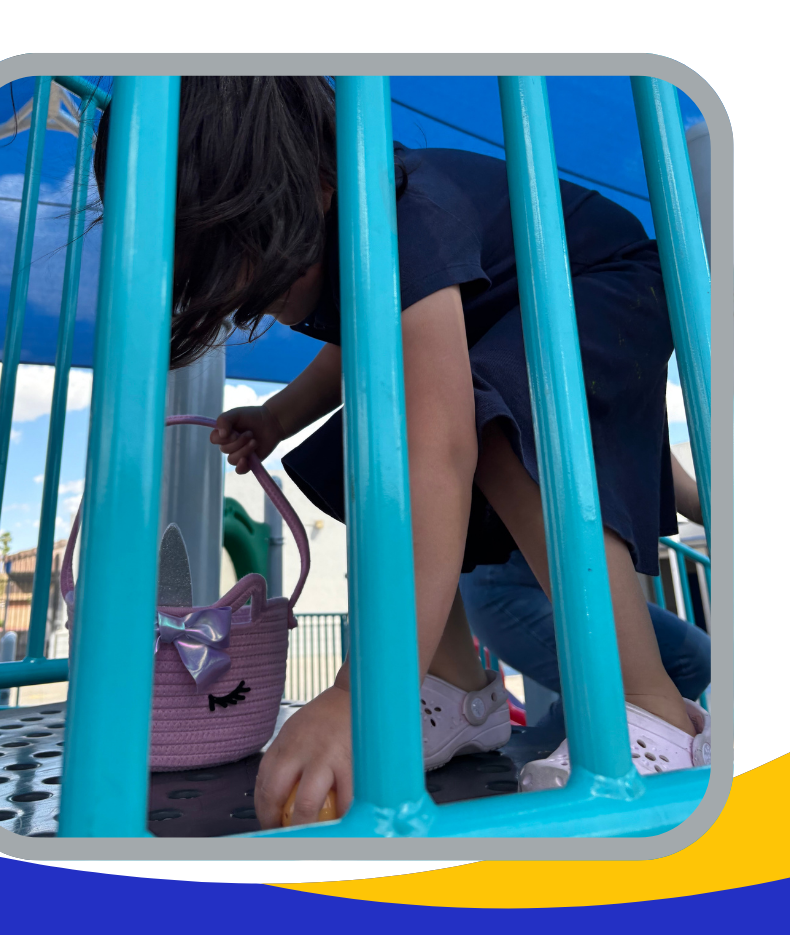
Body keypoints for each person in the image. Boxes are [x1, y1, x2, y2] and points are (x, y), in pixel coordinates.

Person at [137, 77, 702, 826]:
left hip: (599, 283)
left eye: (268, 277)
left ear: (315, 185)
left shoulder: (397, 210)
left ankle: (646, 698)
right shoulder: (340, 237)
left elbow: (435, 453)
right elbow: (363, 340)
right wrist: (278, 417)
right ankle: (459, 689)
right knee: (359, 449)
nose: (269, 306)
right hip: (495, 318)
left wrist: (361, 693)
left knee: (475, 427)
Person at [455, 451, 710, 760]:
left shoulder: (637, 416)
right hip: (507, 577)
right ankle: (548, 761)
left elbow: (695, 499)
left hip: (569, 569)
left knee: (692, 657)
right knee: (618, 683)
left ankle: (549, 757)